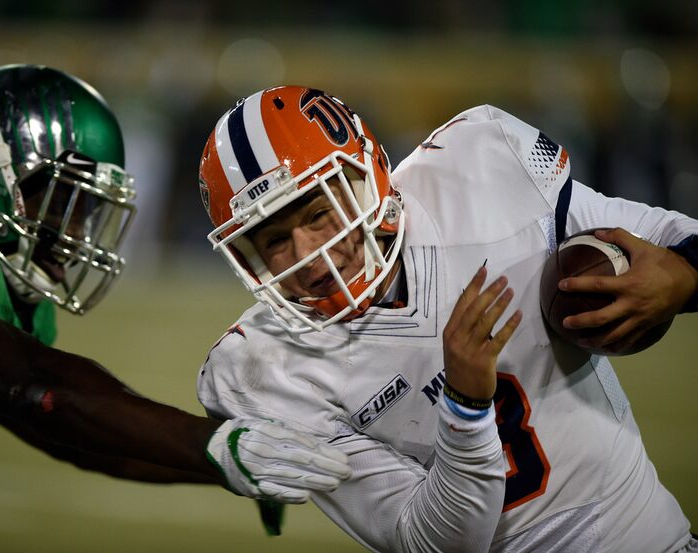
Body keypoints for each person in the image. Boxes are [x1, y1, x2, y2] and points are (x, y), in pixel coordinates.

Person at [0, 68, 353, 553]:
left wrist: (233, 462)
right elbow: (33, 385)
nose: (77, 233)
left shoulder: (12, 301)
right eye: (62, 204)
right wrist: (215, 447)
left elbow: (74, 438)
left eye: (88, 212)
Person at [196, 85, 698, 552]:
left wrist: (683, 276)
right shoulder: (263, 370)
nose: (309, 254)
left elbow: (668, 236)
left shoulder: (478, 165)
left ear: (365, 176)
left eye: (316, 212)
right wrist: (464, 408)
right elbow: (429, 543)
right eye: (273, 240)